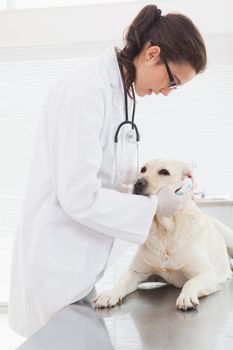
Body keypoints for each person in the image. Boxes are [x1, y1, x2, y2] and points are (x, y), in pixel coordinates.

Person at [8, 4, 207, 338]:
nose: (167, 92)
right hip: (55, 267)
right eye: (172, 80)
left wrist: (164, 190)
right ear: (152, 53)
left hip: (82, 267)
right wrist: (155, 208)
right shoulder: (86, 92)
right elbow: (79, 196)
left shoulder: (124, 96)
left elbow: (115, 180)